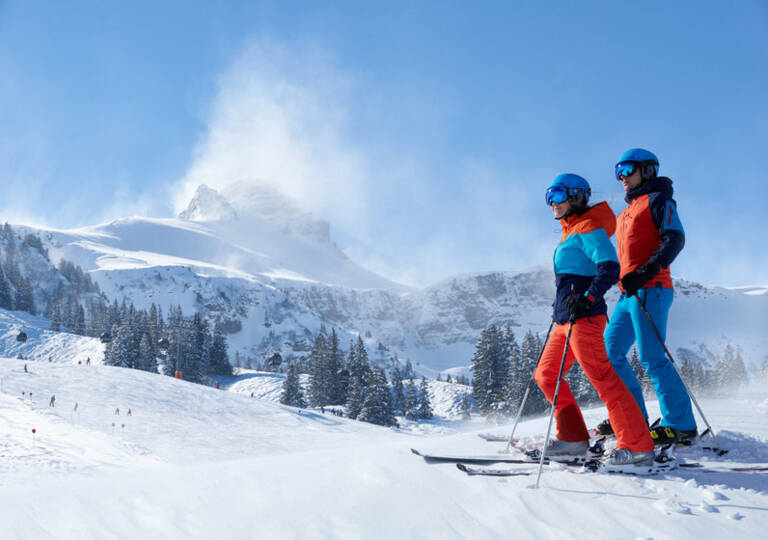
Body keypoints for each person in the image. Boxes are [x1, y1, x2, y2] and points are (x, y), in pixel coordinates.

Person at [536, 173, 655, 466]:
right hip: (564, 321)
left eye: (558, 195)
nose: (553, 202)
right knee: (546, 375)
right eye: (549, 196)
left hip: (585, 320)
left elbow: (610, 267)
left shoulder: (588, 227)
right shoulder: (571, 230)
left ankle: (638, 446)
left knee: (604, 380)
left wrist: (587, 298)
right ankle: (573, 438)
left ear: (576, 196)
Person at [600, 149, 696, 446]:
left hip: (652, 288)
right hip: (628, 294)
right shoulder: (626, 212)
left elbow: (675, 238)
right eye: (618, 171)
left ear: (648, 170)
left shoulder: (659, 200)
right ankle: (632, 417)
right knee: (610, 351)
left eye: (627, 169)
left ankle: (680, 424)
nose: (622, 177)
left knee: (651, 357)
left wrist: (646, 271)